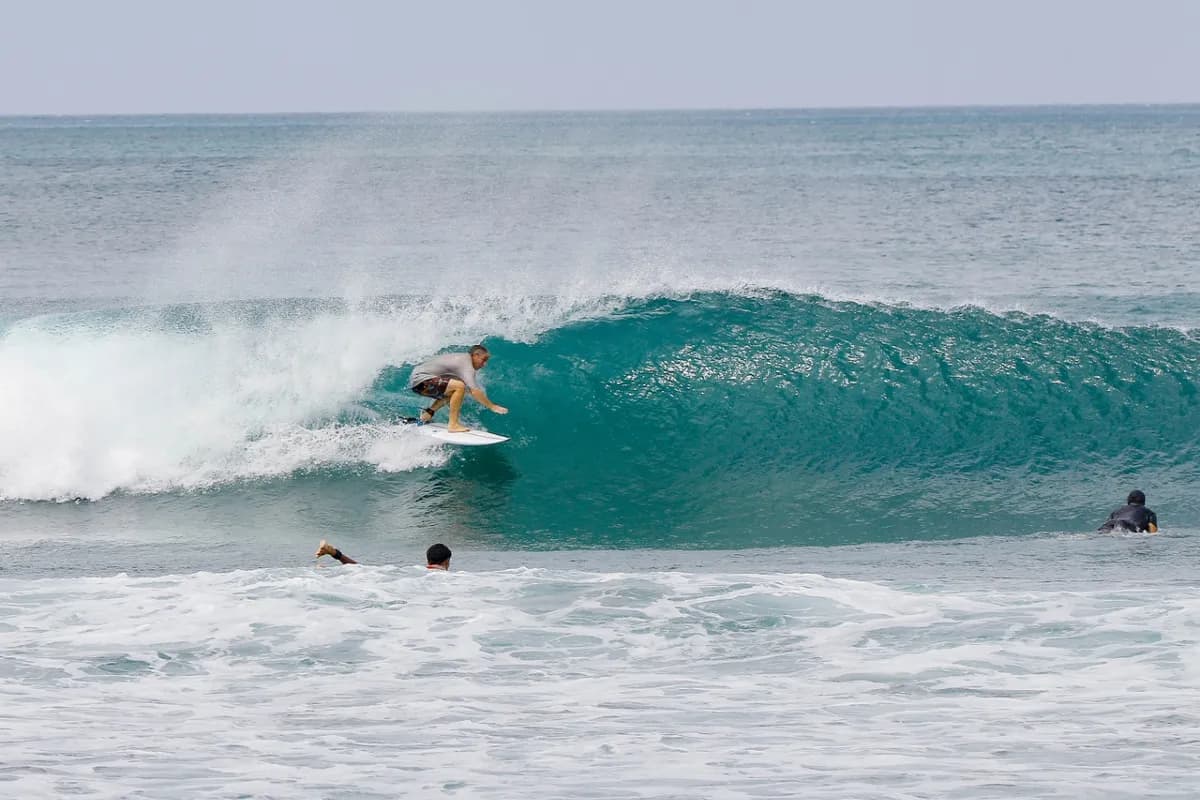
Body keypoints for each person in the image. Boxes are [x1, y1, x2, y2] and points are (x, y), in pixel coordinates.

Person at [409, 344, 507, 433]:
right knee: (459, 386)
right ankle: (453, 425)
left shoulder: (462, 359)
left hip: (419, 381)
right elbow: (475, 391)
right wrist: (492, 406)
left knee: (456, 391)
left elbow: (469, 390)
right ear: (475, 355)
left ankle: (428, 414)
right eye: (483, 360)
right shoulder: (466, 364)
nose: (484, 364)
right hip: (421, 380)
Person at [315, 540, 453, 570]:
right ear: (446, 562)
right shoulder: (448, 580)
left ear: (428, 560)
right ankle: (327, 571)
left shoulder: (417, 570)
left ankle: (336, 555)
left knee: (363, 571)